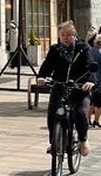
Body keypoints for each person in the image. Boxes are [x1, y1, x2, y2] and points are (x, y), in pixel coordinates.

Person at [37, 21, 93, 157]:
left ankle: (83, 140)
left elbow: (90, 65)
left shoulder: (83, 48)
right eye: (63, 35)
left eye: (69, 35)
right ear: (59, 36)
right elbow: (47, 65)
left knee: (80, 112)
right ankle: (54, 143)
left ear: (74, 35)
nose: (66, 38)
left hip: (79, 88)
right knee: (53, 111)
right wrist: (42, 76)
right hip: (59, 86)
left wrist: (90, 81)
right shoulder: (55, 50)